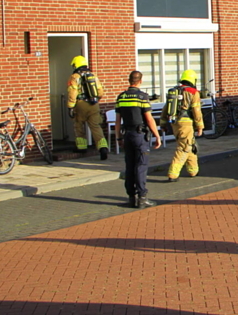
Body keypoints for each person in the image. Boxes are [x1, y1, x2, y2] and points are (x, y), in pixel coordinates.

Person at [115, 70, 162, 208]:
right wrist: (157, 135)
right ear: (140, 81)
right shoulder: (142, 97)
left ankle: (131, 197)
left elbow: (118, 121)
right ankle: (142, 198)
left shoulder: (121, 97)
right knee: (141, 166)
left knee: (129, 166)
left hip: (127, 135)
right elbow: (149, 118)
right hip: (140, 135)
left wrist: (118, 138)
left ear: (130, 80)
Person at [160, 69, 205, 182]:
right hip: (187, 123)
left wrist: (163, 123)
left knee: (190, 145)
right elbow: (196, 110)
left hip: (175, 122)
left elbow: (165, 108)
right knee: (184, 147)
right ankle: (173, 174)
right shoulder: (193, 92)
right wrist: (200, 126)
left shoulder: (175, 91)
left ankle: (193, 170)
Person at [67, 55, 109, 159]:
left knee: (78, 125)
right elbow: (100, 91)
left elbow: (73, 92)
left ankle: (81, 147)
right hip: (94, 105)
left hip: (81, 104)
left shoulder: (75, 77)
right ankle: (103, 147)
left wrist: (70, 106)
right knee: (96, 126)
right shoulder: (93, 75)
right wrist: (95, 99)